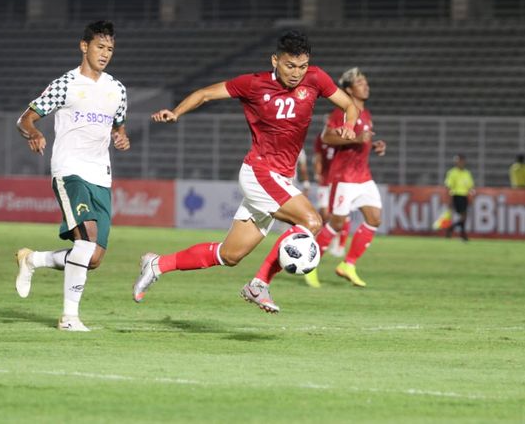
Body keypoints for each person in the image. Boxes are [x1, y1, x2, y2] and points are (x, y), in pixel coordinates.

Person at [132, 30, 359, 313]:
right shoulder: (253, 84)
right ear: (275, 60)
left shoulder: (316, 78)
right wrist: (177, 112)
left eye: (302, 66)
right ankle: (259, 284)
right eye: (290, 65)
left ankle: (158, 264)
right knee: (312, 222)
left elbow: (349, 105)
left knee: (229, 254)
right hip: (260, 172)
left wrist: (349, 125)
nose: (296, 73)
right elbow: (205, 94)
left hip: (280, 177)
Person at [13, 20, 130, 331]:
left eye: (110, 49)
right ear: (84, 46)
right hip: (70, 171)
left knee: (93, 258)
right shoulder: (65, 85)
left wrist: (122, 137)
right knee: (87, 239)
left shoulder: (117, 89)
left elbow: (118, 126)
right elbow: (25, 119)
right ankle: (69, 317)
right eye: (99, 47)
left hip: (101, 177)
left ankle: (33, 260)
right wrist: (34, 133)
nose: (105, 54)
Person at [309, 67, 386, 288]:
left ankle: (348, 264)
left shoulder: (367, 114)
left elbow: (361, 140)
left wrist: (375, 145)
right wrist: (356, 139)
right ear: (349, 90)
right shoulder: (341, 112)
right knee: (336, 223)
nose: (366, 85)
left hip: (364, 177)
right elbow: (326, 137)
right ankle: (310, 264)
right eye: (361, 82)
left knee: (374, 219)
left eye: (366, 82)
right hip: (345, 178)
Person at [312, 120, 351, 259]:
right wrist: (317, 173)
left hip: (339, 181)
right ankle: (327, 240)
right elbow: (317, 157)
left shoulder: (342, 137)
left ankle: (340, 245)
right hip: (324, 181)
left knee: (341, 214)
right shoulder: (320, 138)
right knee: (324, 213)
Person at [444, 154, 474, 241]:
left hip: (464, 196)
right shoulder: (452, 173)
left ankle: (457, 231)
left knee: (464, 216)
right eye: (457, 161)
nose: (459, 163)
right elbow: (449, 186)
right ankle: (459, 232)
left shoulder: (467, 173)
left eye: (461, 161)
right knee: (463, 216)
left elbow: (470, 186)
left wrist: (472, 196)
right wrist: (449, 198)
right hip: (456, 195)